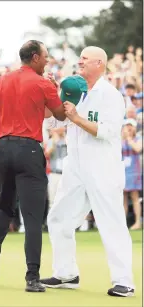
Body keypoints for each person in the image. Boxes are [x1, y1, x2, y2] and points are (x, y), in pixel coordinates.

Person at [0, 40, 66, 292]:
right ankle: (32, 277)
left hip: (2, 149)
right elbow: (59, 115)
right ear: (35, 57)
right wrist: (55, 89)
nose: (47, 60)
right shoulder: (43, 83)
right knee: (33, 216)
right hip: (29, 150)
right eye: (45, 56)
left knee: (3, 207)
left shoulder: (0, 81)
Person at [40, 46, 135, 297]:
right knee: (58, 218)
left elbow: (107, 131)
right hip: (75, 166)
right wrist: (51, 93)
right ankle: (66, 273)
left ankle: (124, 281)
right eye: (79, 58)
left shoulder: (111, 95)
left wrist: (77, 117)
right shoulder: (74, 89)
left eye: (85, 59)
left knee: (111, 223)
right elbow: (52, 121)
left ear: (100, 64)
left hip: (103, 167)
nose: (79, 62)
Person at [122, 119, 142, 230]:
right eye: (126, 126)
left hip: (134, 172)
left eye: (131, 126)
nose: (128, 128)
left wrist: (129, 139)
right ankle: (122, 223)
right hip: (122, 172)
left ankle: (138, 222)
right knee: (123, 197)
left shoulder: (138, 138)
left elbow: (138, 148)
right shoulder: (120, 140)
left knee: (135, 197)